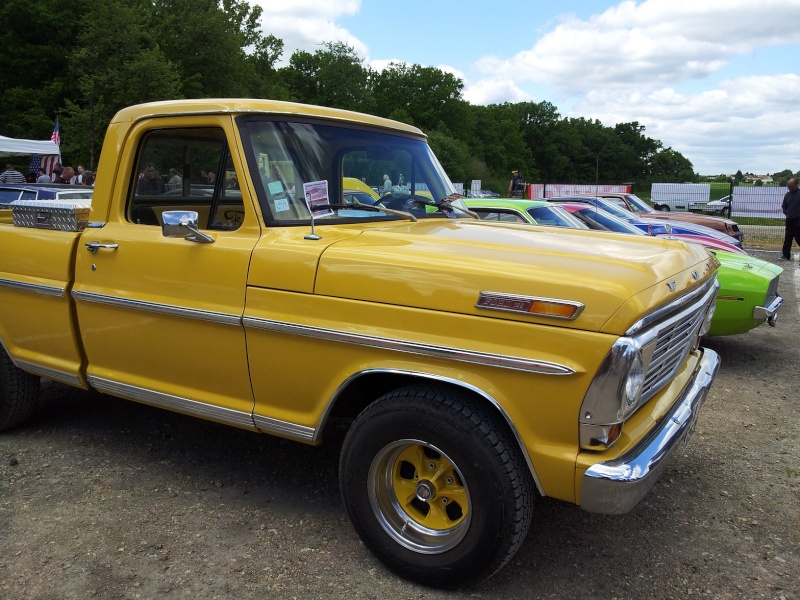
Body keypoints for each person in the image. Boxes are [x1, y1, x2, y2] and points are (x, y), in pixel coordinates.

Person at [780, 178, 800, 260]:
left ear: (796, 185)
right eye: (788, 186)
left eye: (791, 186)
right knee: (788, 238)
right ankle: (785, 255)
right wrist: (787, 214)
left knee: (798, 237)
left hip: (798, 220)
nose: (789, 188)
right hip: (789, 219)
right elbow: (784, 206)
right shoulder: (787, 195)